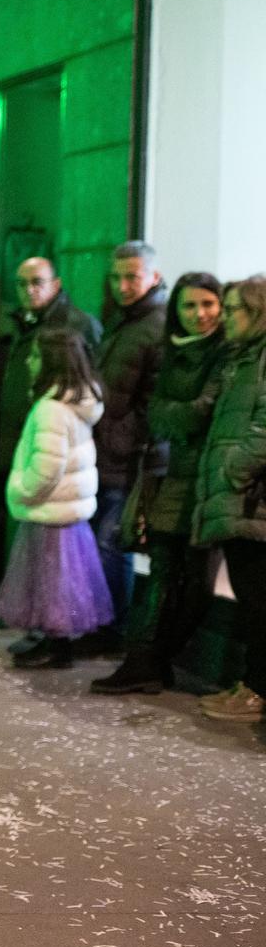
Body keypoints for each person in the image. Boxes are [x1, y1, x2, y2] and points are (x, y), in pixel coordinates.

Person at [90, 274, 225, 695]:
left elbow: (199, 413)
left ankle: (156, 658)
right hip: (171, 476)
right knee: (164, 571)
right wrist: (180, 415)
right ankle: (142, 661)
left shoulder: (225, 356)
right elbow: (160, 415)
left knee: (197, 582)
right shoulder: (172, 353)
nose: (199, 314)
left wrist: (180, 414)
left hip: (210, 480)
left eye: (208, 304)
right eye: (189, 306)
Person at [0, 328, 111, 667]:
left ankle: (56, 646)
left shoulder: (51, 409)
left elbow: (47, 467)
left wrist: (22, 490)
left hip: (50, 509)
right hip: (65, 511)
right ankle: (51, 640)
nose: (29, 362)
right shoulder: (74, 403)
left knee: (51, 582)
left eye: (35, 356)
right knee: (59, 582)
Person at [191, 277, 266, 723]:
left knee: (259, 600)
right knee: (251, 597)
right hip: (240, 500)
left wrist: (233, 471)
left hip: (251, 501)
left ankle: (258, 691)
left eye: (234, 308)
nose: (224, 316)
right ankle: (251, 683)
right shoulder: (242, 358)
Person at [90, 241, 168, 644]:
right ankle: (105, 624)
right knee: (106, 541)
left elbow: (151, 402)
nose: (123, 285)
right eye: (117, 277)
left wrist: (127, 441)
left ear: (153, 277)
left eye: (132, 276)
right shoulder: (124, 320)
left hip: (128, 455)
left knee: (111, 543)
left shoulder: (156, 326)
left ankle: (113, 628)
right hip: (107, 450)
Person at [0, 257, 101, 475]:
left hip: (54, 442)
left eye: (37, 282)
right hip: (22, 438)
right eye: (21, 284)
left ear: (56, 284)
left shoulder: (77, 324)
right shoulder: (22, 323)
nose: (29, 290)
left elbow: (91, 381)